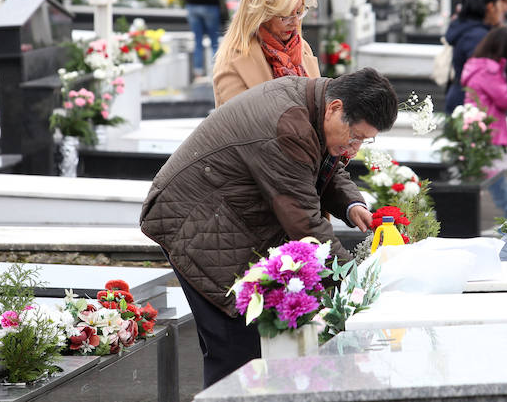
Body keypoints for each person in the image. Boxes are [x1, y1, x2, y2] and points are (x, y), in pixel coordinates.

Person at [139, 68, 398, 387]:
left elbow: (317, 163)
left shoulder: (313, 103)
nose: (355, 148)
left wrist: (351, 204)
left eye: (364, 140)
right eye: (355, 136)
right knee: (234, 353)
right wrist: (359, 284)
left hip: (229, 215)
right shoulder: (288, 124)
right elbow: (304, 223)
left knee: (246, 350)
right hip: (199, 223)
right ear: (335, 108)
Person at [213, 0, 320, 106]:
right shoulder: (233, 61)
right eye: (285, 16)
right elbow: (242, 125)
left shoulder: (302, 48)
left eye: (299, 12)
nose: (295, 23)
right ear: (261, 15)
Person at [460, 26, 507, 218]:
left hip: (477, 133)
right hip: (490, 134)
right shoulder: (489, 71)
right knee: (501, 188)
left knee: (493, 185)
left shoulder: (474, 65)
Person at [443, 0, 501, 114]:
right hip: (470, 104)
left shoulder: (468, 29)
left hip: (461, 97)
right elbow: (480, 73)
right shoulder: (477, 36)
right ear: (491, 7)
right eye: (500, 5)